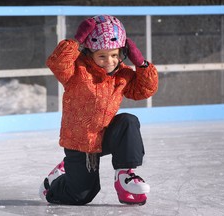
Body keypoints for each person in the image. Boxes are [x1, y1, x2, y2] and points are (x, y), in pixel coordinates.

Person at [39, 15, 158, 205]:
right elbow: (56, 63)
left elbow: (144, 90)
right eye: (101, 56)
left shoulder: (123, 74)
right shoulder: (76, 71)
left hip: (104, 136)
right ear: (89, 53)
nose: (109, 61)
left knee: (128, 121)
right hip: (80, 142)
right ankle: (53, 183)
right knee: (82, 195)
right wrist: (76, 41)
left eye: (114, 55)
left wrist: (142, 65)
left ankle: (125, 176)